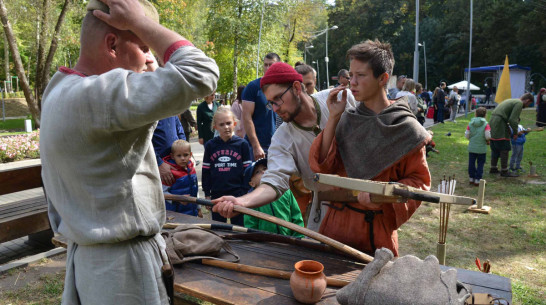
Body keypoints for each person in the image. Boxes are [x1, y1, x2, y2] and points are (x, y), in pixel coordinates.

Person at [39, 0, 219, 303]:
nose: (151, 59)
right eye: (145, 47)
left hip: (93, 261)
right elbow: (201, 72)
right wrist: (141, 23)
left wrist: (140, 50)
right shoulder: (99, 96)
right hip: (124, 271)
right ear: (112, 44)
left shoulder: (60, 88)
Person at [306, 39, 431, 256]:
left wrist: (381, 195)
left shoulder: (406, 128)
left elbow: (419, 183)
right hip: (335, 226)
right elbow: (324, 166)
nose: (351, 82)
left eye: (360, 75)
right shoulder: (347, 120)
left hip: (376, 230)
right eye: (351, 75)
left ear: (383, 78)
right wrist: (334, 117)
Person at [212, 62, 353, 232]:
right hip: (327, 214)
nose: (275, 109)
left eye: (278, 99)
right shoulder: (282, 138)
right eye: (270, 103)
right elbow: (274, 181)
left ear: (296, 87)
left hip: (370, 210)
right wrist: (242, 201)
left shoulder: (341, 98)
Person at [202, 107, 251, 226]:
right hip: (217, 194)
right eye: (222, 124)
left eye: (229, 123)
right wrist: (207, 194)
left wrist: (245, 193)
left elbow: (248, 171)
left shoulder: (242, 144)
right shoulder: (210, 145)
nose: (226, 127)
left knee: (239, 226)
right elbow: (206, 171)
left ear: (234, 124)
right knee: (218, 227)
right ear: (215, 127)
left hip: (237, 193)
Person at [148, 57, 188, 186]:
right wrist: (159, 163)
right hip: (158, 167)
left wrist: (185, 152)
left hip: (176, 163)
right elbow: (142, 141)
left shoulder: (169, 100)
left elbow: (178, 127)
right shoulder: (148, 102)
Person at [243, 158, 305, 237]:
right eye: (257, 172)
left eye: (265, 168)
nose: (263, 171)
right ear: (252, 183)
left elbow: (296, 216)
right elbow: (251, 225)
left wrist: (298, 238)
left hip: (289, 241)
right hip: (265, 244)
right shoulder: (251, 201)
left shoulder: (285, 191)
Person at [242, 52, 280, 160]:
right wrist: (256, 146)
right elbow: (247, 118)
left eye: (271, 65)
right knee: (256, 176)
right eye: (265, 64)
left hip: (278, 145)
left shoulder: (284, 87)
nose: (267, 68)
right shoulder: (253, 87)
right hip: (258, 146)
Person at [489, 93, 534, 177]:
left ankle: (493, 168)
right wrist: (515, 132)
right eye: (529, 104)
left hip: (493, 120)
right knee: (504, 146)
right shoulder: (519, 103)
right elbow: (513, 119)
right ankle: (504, 171)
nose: (527, 106)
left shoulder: (511, 100)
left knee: (495, 144)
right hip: (500, 122)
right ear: (527, 100)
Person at [161, 140, 201, 216]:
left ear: (190, 155)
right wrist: (178, 199)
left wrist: (198, 208)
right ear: (172, 156)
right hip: (175, 214)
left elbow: (195, 190)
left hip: (193, 213)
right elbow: (162, 193)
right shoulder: (169, 173)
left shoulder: (192, 169)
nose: (182, 158)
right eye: (179, 156)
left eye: (185, 155)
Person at [465, 107, 491, 186]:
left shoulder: (470, 123)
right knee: (480, 163)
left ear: (475, 114)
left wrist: (471, 139)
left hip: (472, 147)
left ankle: (471, 178)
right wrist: (487, 141)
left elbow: (467, 135)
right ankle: (478, 179)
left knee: (471, 163)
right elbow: (487, 136)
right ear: (485, 115)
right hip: (481, 148)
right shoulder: (486, 124)